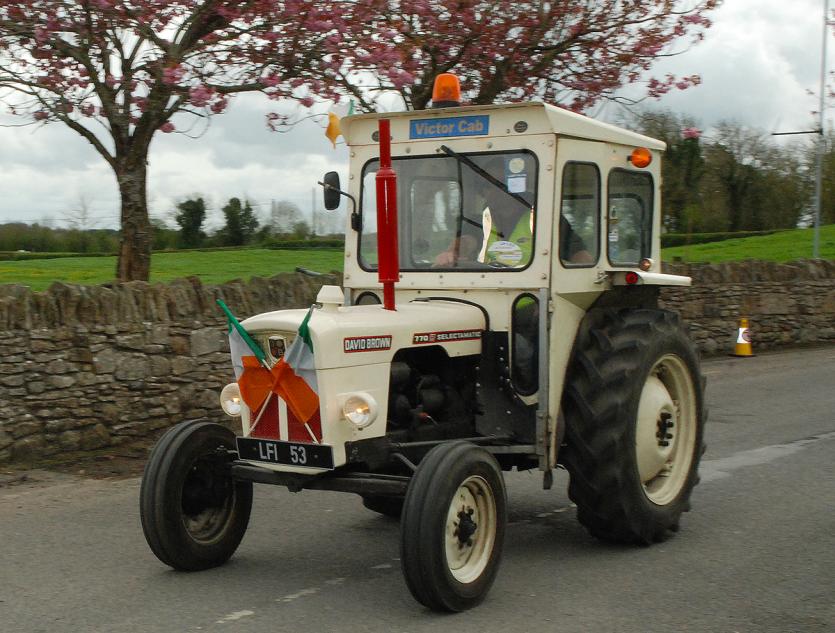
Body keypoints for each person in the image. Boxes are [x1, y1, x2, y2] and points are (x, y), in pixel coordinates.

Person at [434, 171, 592, 267]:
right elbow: (466, 241)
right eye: (485, 185)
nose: (487, 191)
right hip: (489, 296)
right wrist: (450, 253)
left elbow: (579, 255)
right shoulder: (480, 221)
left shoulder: (544, 219)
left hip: (533, 303)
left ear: (512, 187)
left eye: (495, 184)